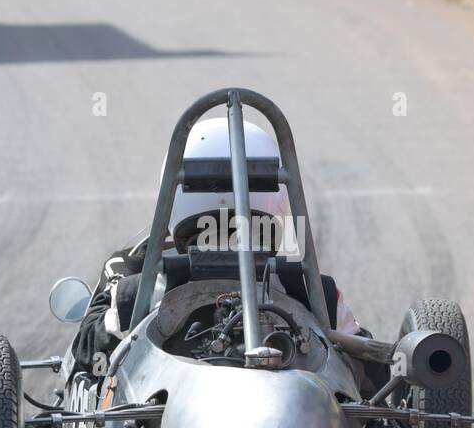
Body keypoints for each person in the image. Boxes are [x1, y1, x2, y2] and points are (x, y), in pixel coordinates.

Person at [73, 117, 363, 376]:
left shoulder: (141, 292)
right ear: (278, 190)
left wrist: (122, 276)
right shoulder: (314, 293)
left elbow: (87, 350)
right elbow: (370, 369)